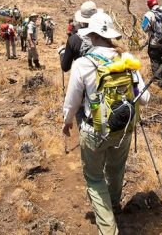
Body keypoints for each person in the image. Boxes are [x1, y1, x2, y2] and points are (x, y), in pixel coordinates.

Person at [62, 12, 150, 235]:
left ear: (91, 36)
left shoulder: (83, 63)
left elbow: (72, 101)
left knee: (94, 177)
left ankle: (108, 228)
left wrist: (67, 122)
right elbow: (145, 98)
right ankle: (113, 203)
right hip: (124, 129)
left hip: (94, 130)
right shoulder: (126, 59)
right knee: (116, 168)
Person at [59, 1, 102, 73]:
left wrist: (62, 53)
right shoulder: (105, 35)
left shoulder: (74, 39)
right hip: (104, 78)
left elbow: (65, 67)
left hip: (83, 78)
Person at [141, 0, 162, 86]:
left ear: (149, 5)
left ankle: (158, 82)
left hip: (155, 43)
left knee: (155, 61)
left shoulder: (149, 14)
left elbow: (144, 28)